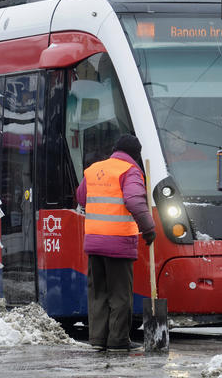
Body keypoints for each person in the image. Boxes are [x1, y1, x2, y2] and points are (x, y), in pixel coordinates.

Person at [75, 134, 156, 352]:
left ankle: (98, 339)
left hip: (93, 242)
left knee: (98, 293)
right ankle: (118, 341)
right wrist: (148, 229)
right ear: (135, 154)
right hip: (118, 243)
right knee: (120, 295)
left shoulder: (93, 169)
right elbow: (134, 201)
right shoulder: (130, 171)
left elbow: (81, 197)